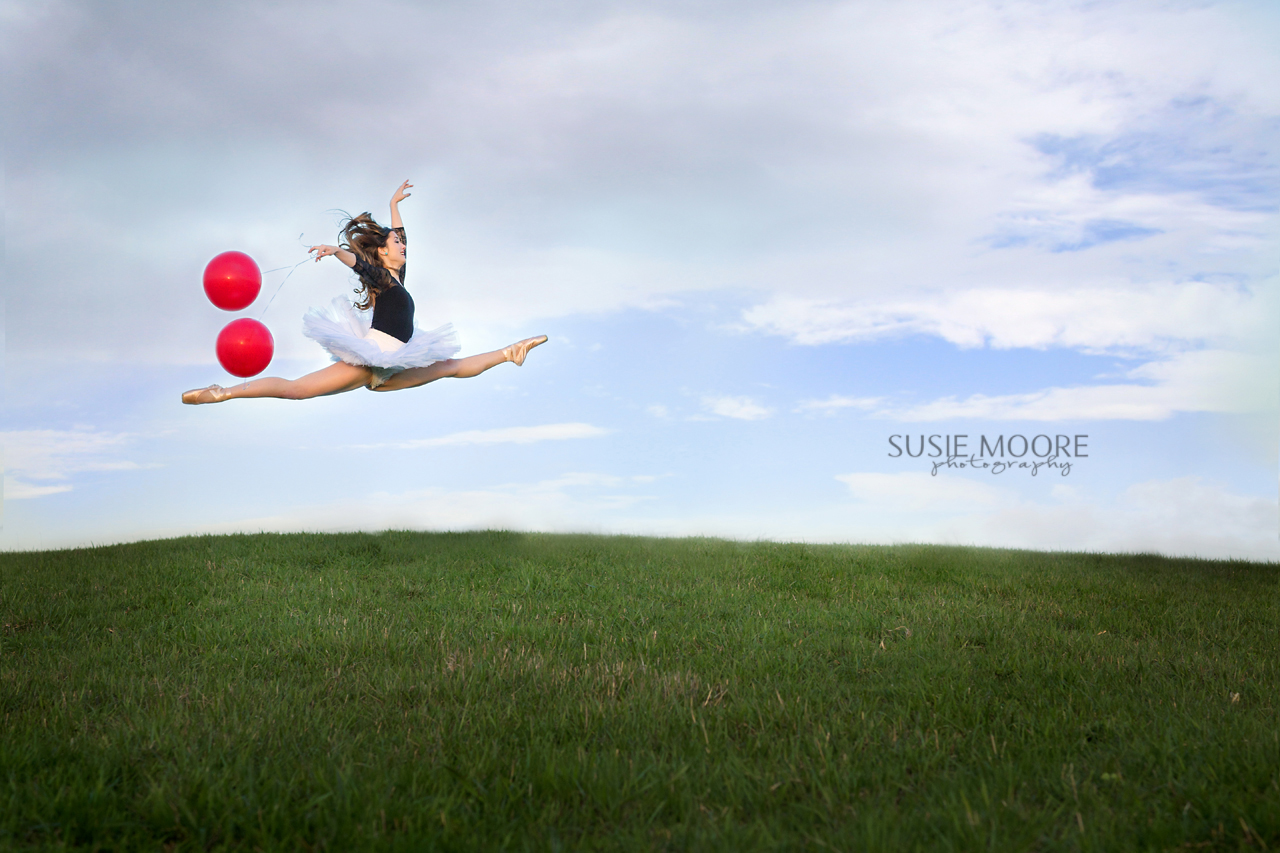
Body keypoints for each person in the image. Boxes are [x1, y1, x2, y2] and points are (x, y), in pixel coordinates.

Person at [182, 180, 546, 404]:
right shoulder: (383, 280)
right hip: (374, 359)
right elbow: (362, 267)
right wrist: (338, 251)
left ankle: (509, 351)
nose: (402, 245)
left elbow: (402, 242)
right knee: (297, 390)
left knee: (451, 367)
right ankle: (225, 392)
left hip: (396, 365)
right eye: (395, 242)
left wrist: (394, 207)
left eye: (402, 242)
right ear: (383, 250)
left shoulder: (398, 275)